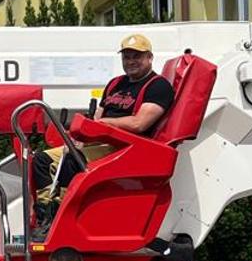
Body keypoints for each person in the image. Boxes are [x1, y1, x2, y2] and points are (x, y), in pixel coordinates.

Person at [36, 34, 179, 197]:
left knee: (72, 161)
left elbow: (139, 124)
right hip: (100, 142)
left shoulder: (158, 86)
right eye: (127, 57)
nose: (131, 61)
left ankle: (61, 207)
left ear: (150, 57)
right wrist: (82, 136)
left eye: (137, 56)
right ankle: (46, 208)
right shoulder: (115, 83)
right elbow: (98, 115)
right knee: (42, 160)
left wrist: (104, 123)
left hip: (127, 149)